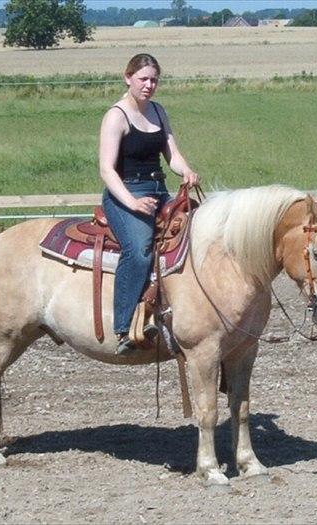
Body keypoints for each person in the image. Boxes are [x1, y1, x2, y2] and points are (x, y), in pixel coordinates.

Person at [99, 53, 200, 355]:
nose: (149, 85)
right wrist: (131, 202)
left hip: (159, 191)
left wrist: (187, 171)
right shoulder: (116, 116)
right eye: (143, 79)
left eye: (154, 79)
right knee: (139, 251)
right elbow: (106, 169)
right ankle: (124, 327)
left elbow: (173, 156)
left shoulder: (158, 111)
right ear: (127, 78)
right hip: (125, 193)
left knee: (198, 231)